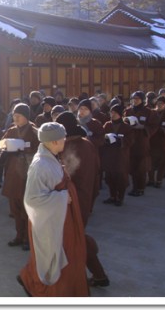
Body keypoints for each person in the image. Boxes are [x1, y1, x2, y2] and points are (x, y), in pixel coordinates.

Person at [17, 122, 89, 297]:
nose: (65, 140)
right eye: (63, 138)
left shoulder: (51, 156)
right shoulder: (40, 165)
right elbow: (32, 200)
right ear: (55, 141)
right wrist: (63, 197)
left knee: (69, 256)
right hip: (51, 222)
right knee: (56, 260)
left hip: (60, 218)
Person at [55, 111, 109, 289]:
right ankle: (98, 275)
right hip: (86, 198)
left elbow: (63, 178)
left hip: (71, 200)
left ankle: (90, 276)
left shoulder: (70, 148)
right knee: (75, 237)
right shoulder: (88, 144)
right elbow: (98, 170)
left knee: (74, 239)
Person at [1, 103, 39, 251]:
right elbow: (1, 144)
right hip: (13, 173)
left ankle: (28, 238)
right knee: (15, 207)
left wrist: (26, 149)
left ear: (26, 116)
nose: (15, 118)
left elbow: (40, 150)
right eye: (14, 115)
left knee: (27, 208)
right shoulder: (11, 130)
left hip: (27, 174)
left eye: (18, 116)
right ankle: (18, 235)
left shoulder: (35, 131)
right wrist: (6, 149)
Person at [124, 91, 158, 197]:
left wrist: (143, 127)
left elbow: (154, 126)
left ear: (142, 100)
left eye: (137, 99)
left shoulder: (148, 112)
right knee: (132, 167)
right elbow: (123, 123)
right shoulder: (128, 111)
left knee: (141, 168)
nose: (135, 101)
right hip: (131, 142)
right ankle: (134, 187)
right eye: (133, 99)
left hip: (142, 142)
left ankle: (141, 188)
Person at [102, 104, 134, 206]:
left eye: (115, 112)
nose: (112, 114)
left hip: (121, 156)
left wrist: (120, 140)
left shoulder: (126, 127)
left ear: (120, 114)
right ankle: (112, 196)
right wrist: (106, 139)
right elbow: (102, 137)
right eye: (111, 112)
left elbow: (131, 140)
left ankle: (120, 197)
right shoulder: (107, 125)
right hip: (109, 154)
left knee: (121, 177)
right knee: (110, 176)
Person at [148, 96, 165, 188]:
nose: (159, 105)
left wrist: (163, 131)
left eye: (162, 104)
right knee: (150, 163)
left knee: (162, 164)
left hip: (164, 143)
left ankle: (159, 180)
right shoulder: (152, 113)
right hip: (152, 142)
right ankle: (151, 179)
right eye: (158, 104)